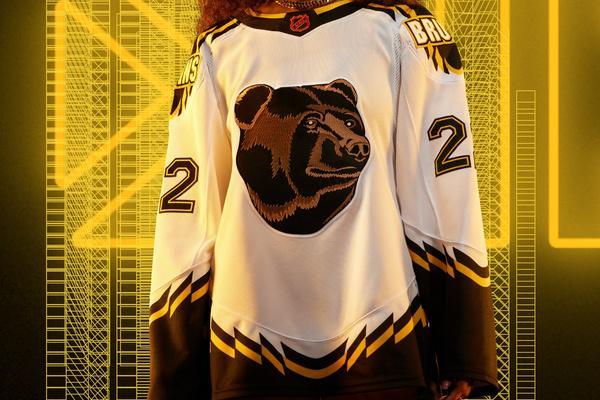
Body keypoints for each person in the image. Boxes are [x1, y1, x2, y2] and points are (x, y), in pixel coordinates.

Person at [147, 1, 500, 399]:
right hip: (247, 347)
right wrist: (175, 376)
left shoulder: (404, 33)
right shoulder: (218, 50)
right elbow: (188, 223)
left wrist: (464, 350)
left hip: (384, 339)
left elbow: (443, 193)